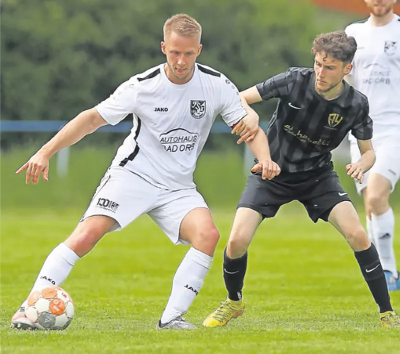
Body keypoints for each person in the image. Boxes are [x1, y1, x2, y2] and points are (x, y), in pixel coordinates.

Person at [10, 14, 278, 330]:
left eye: (188, 53)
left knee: (208, 235)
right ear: (164, 47)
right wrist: (45, 152)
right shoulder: (142, 86)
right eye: (174, 52)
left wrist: (265, 158)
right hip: (133, 176)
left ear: (199, 50)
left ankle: (172, 320)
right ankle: (28, 309)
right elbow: (90, 119)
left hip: (178, 187)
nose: (181, 61)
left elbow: (249, 127)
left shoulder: (216, 85)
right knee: (86, 235)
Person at [203, 30, 400, 328]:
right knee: (236, 241)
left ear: (347, 69)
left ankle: (387, 314)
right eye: (319, 63)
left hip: (318, 177)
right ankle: (233, 302)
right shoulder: (294, 79)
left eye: (330, 67)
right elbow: (239, 98)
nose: (320, 72)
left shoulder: (356, 104)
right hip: (271, 172)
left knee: (358, 235)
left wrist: (362, 163)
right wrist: (250, 115)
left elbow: (369, 151)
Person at [345, 0, 400, 292]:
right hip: (361, 132)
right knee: (370, 203)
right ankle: (379, 270)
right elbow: (345, 78)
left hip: (395, 129)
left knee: (378, 195)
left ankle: (389, 270)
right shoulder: (353, 33)